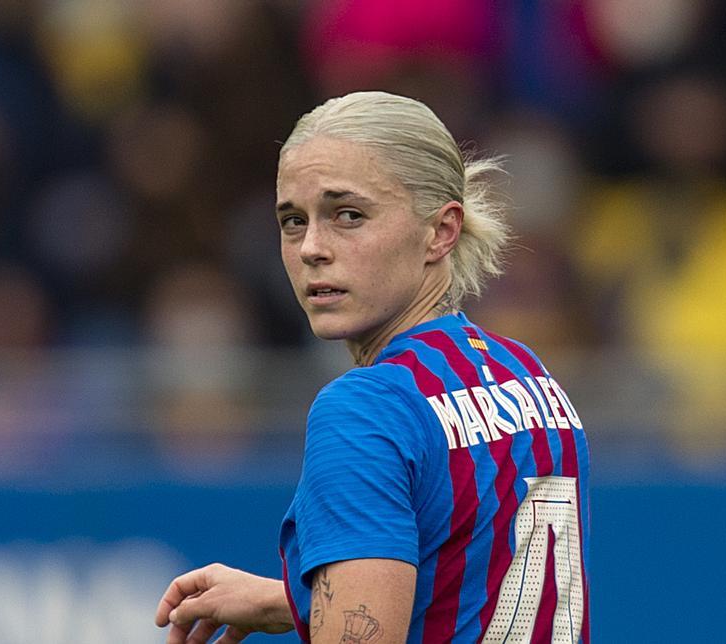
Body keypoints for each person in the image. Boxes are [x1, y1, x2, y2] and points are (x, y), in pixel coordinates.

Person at [155, 91, 591, 644]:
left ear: (441, 230)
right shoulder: (529, 377)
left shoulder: (364, 408)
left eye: (348, 215)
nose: (312, 246)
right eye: (293, 220)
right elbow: (464, 575)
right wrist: (290, 600)